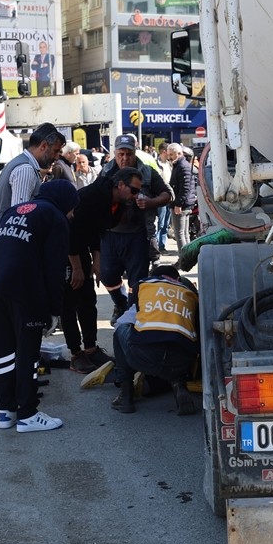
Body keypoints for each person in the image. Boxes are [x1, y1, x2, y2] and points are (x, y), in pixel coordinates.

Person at [0, 179, 80, 432]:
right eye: (73, 208)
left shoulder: (17, 210)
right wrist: (54, 310)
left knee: (2, 349)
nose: (72, 214)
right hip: (23, 288)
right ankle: (27, 414)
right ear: (65, 201)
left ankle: (6, 411)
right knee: (28, 351)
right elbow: (55, 269)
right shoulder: (55, 217)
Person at [64, 172, 141, 374]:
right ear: (120, 185)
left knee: (88, 299)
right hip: (66, 248)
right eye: (134, 190)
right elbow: (73, 233)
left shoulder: (117, 202)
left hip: (83, 245)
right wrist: (77, 268)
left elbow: (97, 231)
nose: (136, 195)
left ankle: (91, 349)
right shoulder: (92, 197)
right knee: (70, 301)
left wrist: (96, 261)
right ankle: (76, 354)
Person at [96, 134, 172, 325]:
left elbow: (167, 194)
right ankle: (120, 303)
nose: (124, 158)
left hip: (138, 234)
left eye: (128, 154)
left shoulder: (147, 172)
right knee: (107, 275)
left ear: (135, 153)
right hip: (110, 234)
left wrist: (150, 202)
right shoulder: (106, 171)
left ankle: (131, 315)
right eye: (120, 154)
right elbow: (94, 196)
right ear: (115, 154)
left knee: (137, 281)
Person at [109, 265, 200, 415]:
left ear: (153, 277)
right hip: (181, 363)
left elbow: (127, 320)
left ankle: (125, 396)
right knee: (178, 339)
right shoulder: (191, 294)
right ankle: (180, 387)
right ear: (178, 279)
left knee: (120, 329)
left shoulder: (145, 286)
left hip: (143, 356)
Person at [0, 123, 65, 239]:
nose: (56, 157)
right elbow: (20, 216)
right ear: (43, 146)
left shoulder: (21, 164)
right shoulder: (26, 169)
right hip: (12, 241)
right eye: (55, 151)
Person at [168, 144, 198, 249]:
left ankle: (184, 257)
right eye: (169, 154)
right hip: (185, 204)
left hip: (181, 205)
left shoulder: (182, 166)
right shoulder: (181, 165)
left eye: (172, 154)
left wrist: (178, 204)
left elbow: (185, 188)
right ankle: (188, 255)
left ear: (179, 153)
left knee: (180, 234)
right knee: (184, 233)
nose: (170, 157)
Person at [154, 142, 175, 255]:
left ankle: (162, 245)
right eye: (169, 152)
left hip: (170, 197)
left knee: (166, 223)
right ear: (164, 152)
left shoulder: (170, 164)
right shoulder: (155, 164)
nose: (170, 155)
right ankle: (156, 246)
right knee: (160, 223)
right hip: (161, 196)